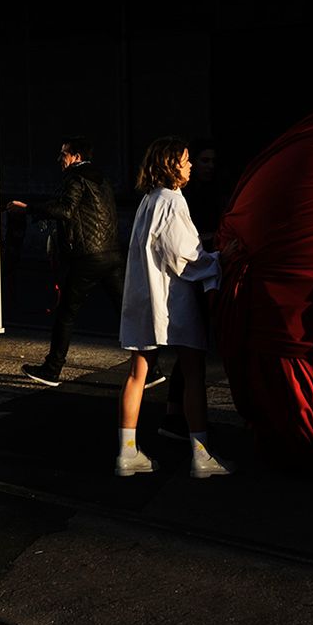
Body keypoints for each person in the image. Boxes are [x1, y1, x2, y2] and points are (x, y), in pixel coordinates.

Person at [115, 136, 230, 478]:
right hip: (172, 299)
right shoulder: (172, 201)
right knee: (193, 373)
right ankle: (201, 454)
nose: (191, 164)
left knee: (137, 374)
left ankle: (127, 452)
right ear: (171, 165)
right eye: (185, 160)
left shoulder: (148, 200)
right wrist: (220, 260)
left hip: (143, 297)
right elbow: (183, 256)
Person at [7, 137, 163, 388]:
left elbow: (65, 209)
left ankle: (51, 370)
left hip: (87, 257)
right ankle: (152, 370)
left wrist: (28, 209)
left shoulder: (75, 177)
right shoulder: (101, 178)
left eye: (64, 154)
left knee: (66, 314)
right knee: (126, 312)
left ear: (76, 157)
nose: (60, 159)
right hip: (111, 254)